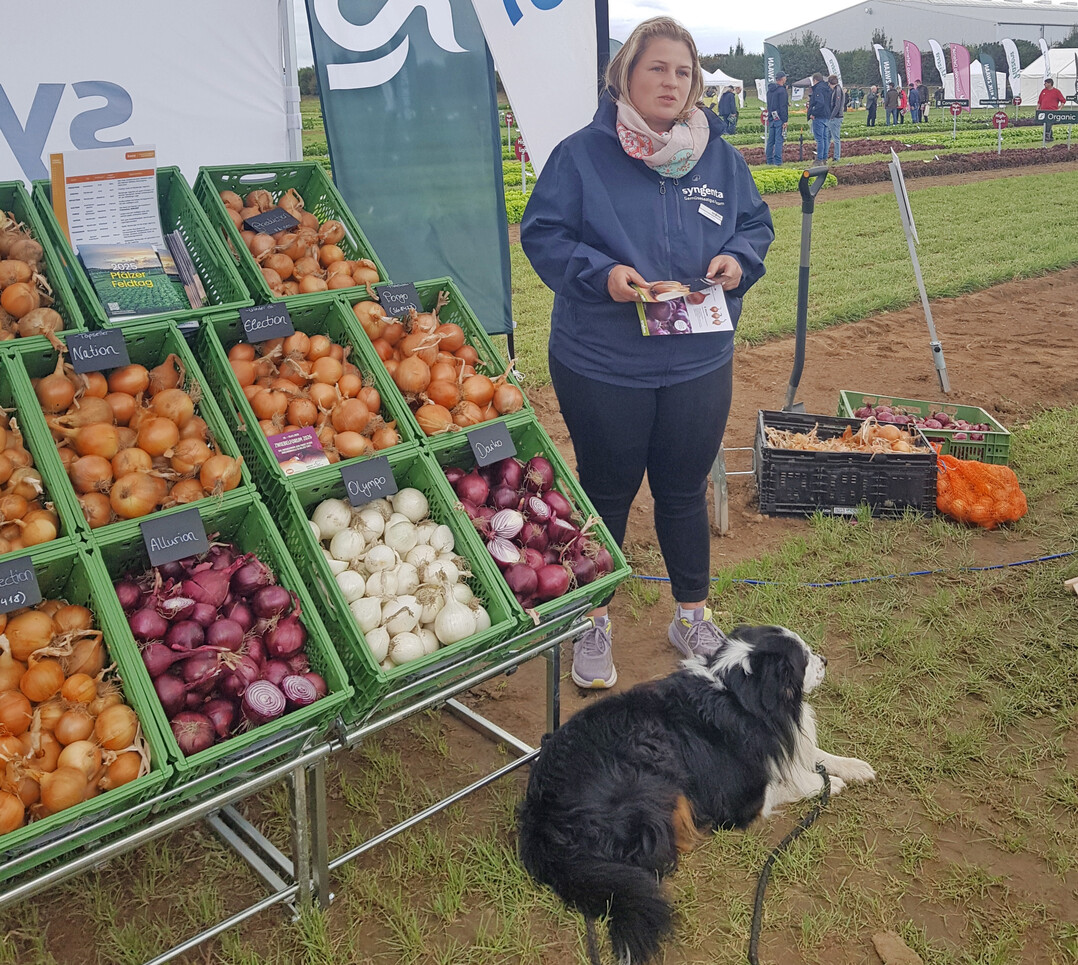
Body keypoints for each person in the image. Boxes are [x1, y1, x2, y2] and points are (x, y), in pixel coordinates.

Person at [519, 16, 774, 688]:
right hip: (604, 361)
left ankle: (691, 613)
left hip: (697, 360)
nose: (672, 81)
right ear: (625, 74)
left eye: (683, 71)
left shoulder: (717, 154)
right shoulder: (582, 155)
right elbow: (543, 233)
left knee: (683, 488)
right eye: (657, 67)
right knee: (606, 489)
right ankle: (592, 618)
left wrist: (736, 260)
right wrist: (600, 274)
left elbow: (753, 224)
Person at [766, 70, 789, 164]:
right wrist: (785, 120)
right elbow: (783, 107)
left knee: (770, 140)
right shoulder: (782, 91)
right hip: (779, 118)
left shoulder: (770, 91)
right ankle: (778, 161)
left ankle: (769, 160)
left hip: (771, 117)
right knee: (779, 140)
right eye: (785, 77)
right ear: (782, 79)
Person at [807, 72, 829, 160]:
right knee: (824, 138)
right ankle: (824, 156)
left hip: (819, 116)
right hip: (826, 116)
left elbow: (820, 103)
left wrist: (813, 113)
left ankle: (819, 158)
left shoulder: (818, 89)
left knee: (819, 139)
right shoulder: (827, 88)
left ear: (815, 80)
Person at [826, 74, 844, 161]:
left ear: (830, 83)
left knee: (836, 138)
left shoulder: (837, 90)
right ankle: (825, 155)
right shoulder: (837, 90)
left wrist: (831, 116)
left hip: (836, 117)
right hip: (834, 117)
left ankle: (837, 157)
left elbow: (837, 106)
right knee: (828, 137)